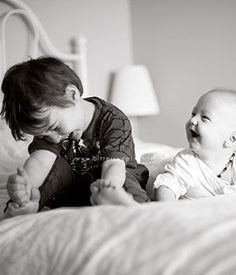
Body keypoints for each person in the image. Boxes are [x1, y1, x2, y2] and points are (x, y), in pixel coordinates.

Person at [1, 56, 149, 218]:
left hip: (112, 174)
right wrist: (25, 185)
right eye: (43, 135)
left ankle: (126, 204)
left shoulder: (113, 119)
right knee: (49, 177)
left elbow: (114, 165)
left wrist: (109, 187)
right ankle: (26, 205)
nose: (54, 139)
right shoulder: (49, 130)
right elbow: (40, 161)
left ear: (71, 95)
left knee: (126, 182)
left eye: (54, 127)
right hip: (72, 184)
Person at [89, 88, 236, 205]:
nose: (193, 120)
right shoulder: (187, 162)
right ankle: (121, 200)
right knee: (138, 170)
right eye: (193, 113)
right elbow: (166, 188)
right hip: (155, 172)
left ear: (232, 139)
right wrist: (166, 211)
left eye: (205, 117)